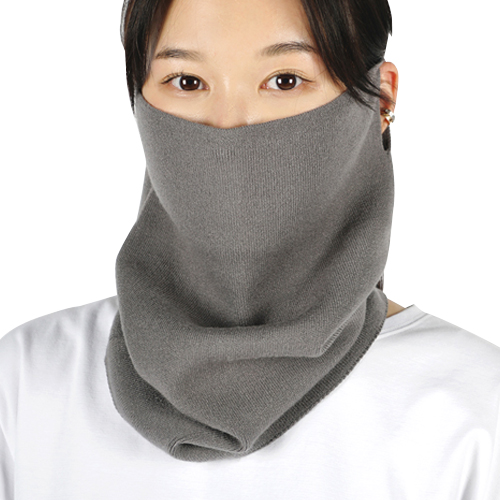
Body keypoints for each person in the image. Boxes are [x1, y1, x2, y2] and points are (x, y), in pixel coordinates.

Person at [0, 0, 499, 497]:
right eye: (187, 81)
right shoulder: (28, 379)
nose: (230, 124)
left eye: (285, 80)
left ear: (381, 99)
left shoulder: (476, 408)